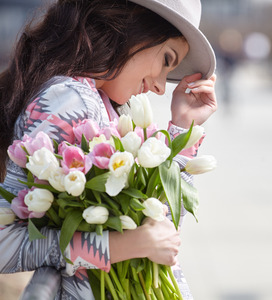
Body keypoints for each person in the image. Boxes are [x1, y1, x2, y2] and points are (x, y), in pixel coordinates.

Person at [0, 0, 217, 299]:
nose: (160, 87)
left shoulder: (102, 105)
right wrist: (126, 246)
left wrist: (183, 127)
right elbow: (4, 245)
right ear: (131, 24)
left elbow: (160, 225)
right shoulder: (69, 98)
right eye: (166, 60)